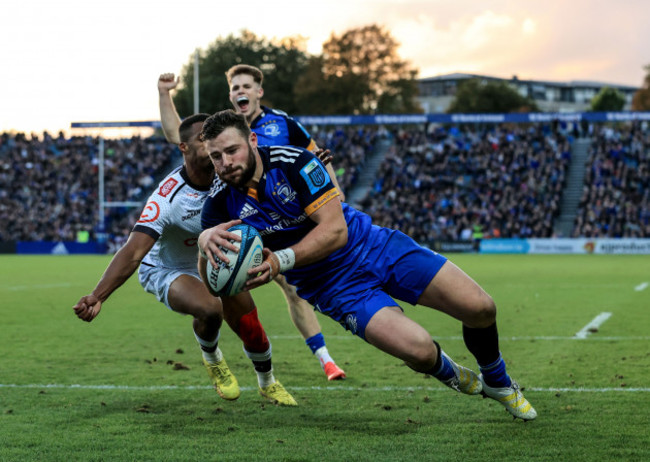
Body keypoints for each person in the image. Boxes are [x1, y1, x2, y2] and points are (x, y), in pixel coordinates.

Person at [197, 110, 537, 421]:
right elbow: (216, 282)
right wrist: (203, 244)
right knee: (419, 352)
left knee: (480, 308)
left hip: (374, 246)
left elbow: (335, 231)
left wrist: (279, 261)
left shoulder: (295, 162)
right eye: (216, 156)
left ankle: (499, 381)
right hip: (334, 288)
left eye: (232, 150)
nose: (225, 162)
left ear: (252, 140)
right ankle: (450, 372)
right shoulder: (217, 202)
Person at [72, 114, 297, 406]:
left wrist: (307, 163)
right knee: (210, 310)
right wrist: (97, 295)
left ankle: (268, 383)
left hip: (216, 259)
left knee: (251, 324)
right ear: (184, 148)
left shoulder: (230, 177)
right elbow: (134, 251)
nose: (213, 149)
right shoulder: (167, 197)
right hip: (167, 268)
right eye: (203, 142)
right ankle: (213, 358)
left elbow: (265, 160)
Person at [158, 68, 346, 381]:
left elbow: (318, 157)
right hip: (237, 225)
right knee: (226, 291)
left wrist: (336, 194)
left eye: (247, 85)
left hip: (282, 224)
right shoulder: (220, 127)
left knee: (295, 289)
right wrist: (165, 94)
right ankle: (238, 360)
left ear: (259, 92)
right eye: (235, 87)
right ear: (231, 95)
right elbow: (176, 134)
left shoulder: (283, 122)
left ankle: (325, 358)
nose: (240, 91)